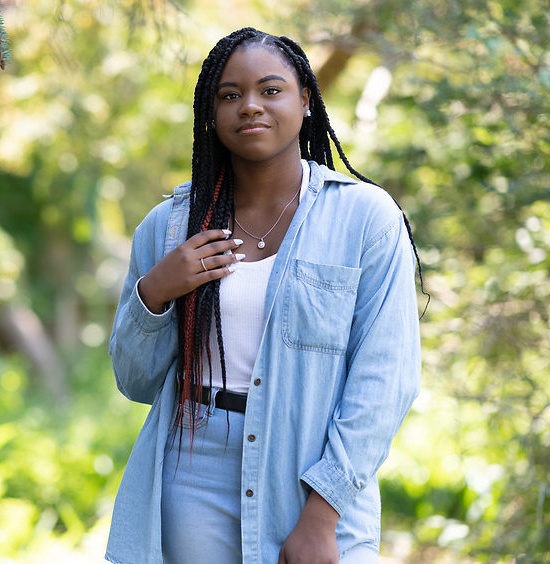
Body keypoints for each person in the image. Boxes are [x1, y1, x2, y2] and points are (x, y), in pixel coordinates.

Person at [105, 27, 422, 564]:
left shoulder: (365, 219)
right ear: (210, 114)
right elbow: (135, 382)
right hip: (193, 474)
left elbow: (385, 379)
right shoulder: (168, 228)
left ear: (306, 101)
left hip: (311, 475)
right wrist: (156, 291)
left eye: (270, 90)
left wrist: (323, 513)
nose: (249, 106)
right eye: (229, 95)